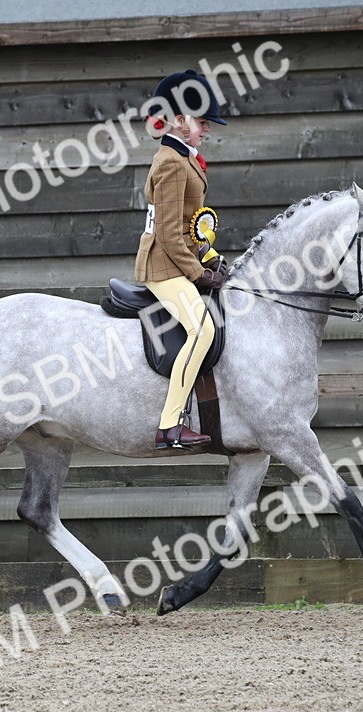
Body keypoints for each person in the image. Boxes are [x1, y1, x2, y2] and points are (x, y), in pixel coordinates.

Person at [134, 69, 228, 450]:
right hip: (163, 265)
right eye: (202, 122)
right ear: (178, 119)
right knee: (202, 329)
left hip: (178, 259)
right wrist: (198, 274)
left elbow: (190, 226)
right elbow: (170, 235)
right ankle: (170, 424)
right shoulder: (172, 162)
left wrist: (209, 255)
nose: (206, 130)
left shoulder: (181, 157)